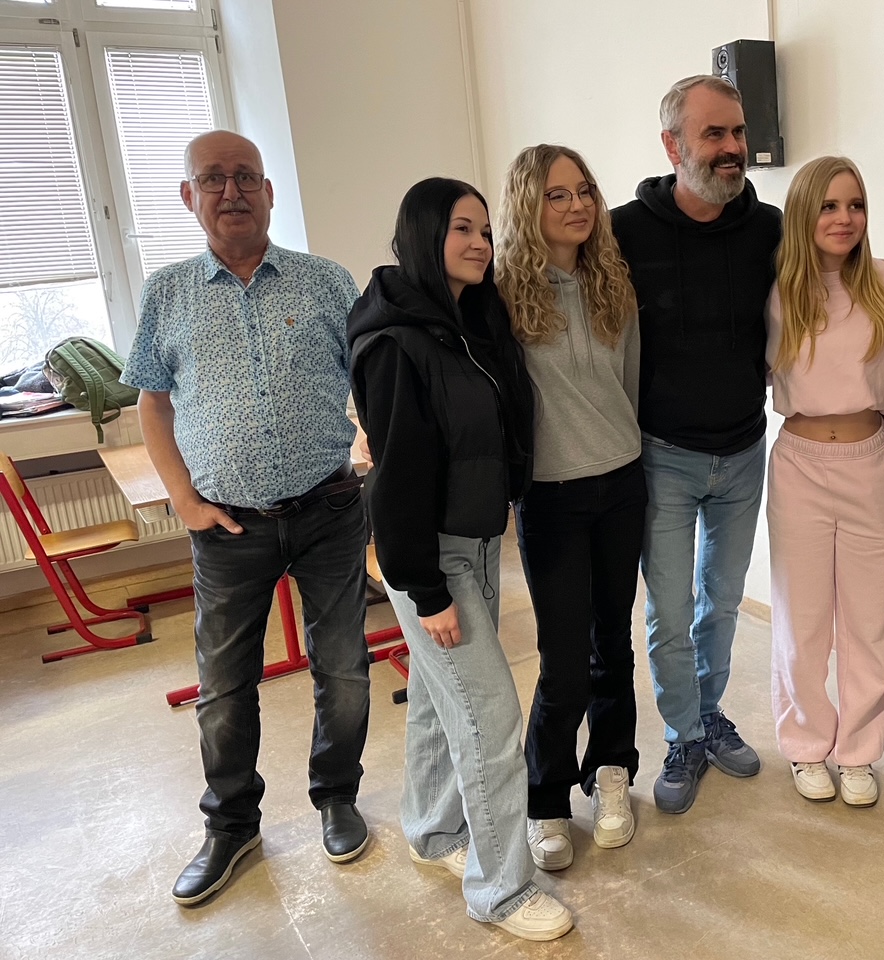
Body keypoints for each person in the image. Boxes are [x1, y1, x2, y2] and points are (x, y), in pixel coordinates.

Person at [121, 130, 372, 906]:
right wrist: (184, 500)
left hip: (330, 508)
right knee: (224, 687)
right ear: (188, 196)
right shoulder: (167, 293)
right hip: (226, 526)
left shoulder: (325, 281)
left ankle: (337, 797)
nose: (231, 191)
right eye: (212, 179)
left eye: (245, 177)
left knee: (343, 668)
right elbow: (153, 404)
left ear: (269, 191)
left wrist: (375, 448)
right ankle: (231, 827)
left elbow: (373, 375)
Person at [347, 177, 573, 941]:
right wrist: (426, 589)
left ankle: (433, 829)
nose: (480, 243)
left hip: (476, 539)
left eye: (484, 229)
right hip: (431, 557)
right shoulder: (396, 341)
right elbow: (396, 479)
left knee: (442, 702)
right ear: (423, 235)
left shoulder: (469, 318)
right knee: (490, 717)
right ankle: (502, 890)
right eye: (461, 229)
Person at [611, 75, 782, 815]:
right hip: (664, 455)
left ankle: (710, 716)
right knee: (670, 612)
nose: (732, 147)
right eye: (714, 134)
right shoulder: (623, 232)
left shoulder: (770, 229)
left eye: (738, 132)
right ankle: (682, 735)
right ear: (672, 145)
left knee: (723, 602)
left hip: (745, 451)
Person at [494, 145, 645, 870]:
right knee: (562, 663)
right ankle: (546, 798)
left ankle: (611, 772)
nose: (578, 205)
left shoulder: (613, 283)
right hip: (550, 497)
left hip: (621, 484)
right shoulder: (502, 295)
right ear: (529, 205)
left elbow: (630, 386)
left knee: (612, 644)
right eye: (558, 195)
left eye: (584, 190)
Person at [765, 156, 884, 806]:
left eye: (855, 205)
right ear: (804, 212)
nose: (844, 218)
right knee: (802, 620)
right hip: (798, 464)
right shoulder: (776, 292)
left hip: (870, 463)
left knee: (871, 621)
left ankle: (858, 752)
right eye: (829, 206)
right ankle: (805, 744)